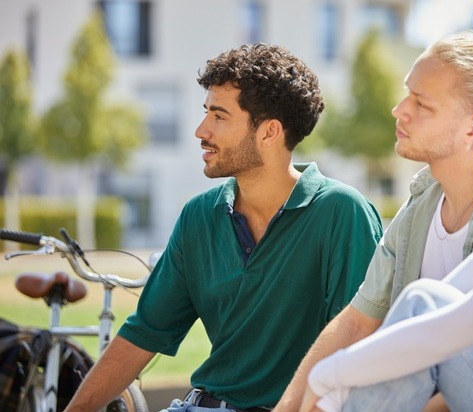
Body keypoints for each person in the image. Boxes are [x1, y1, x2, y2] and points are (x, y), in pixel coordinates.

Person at [63, 43, 383, 412]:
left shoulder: (341, 213)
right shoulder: (199, 215)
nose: (201, 130)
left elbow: (358, 349)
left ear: (269, 132)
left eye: (219, 116)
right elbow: (143, 333)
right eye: (206, 113)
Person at [301, 63, 473, 412]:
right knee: (424, 301)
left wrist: (327, 380)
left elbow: (445, 329)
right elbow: (435, 319)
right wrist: (330, 385)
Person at [275, 31, 473, 412]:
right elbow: (356, 323)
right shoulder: (420, 204)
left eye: (421, 103)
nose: (399, 109)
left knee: (426, 311)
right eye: (408, 93)